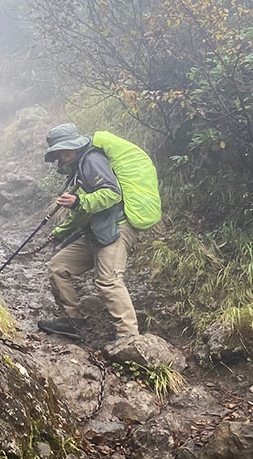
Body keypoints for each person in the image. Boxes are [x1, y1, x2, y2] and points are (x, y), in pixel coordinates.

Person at [36, 123, 161, 342]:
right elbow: (83, 210)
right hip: (97, 230)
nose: (63, 156)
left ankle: (129, 337)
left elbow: (112, 194)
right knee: (58, 266)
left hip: (116, 227)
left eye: (65, 150)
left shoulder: (92, 160)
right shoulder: (79, 169)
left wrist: (78, 201)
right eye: (59, 153)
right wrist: (60, 233)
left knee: (109, 281)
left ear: (76, 145)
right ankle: (72, 321)